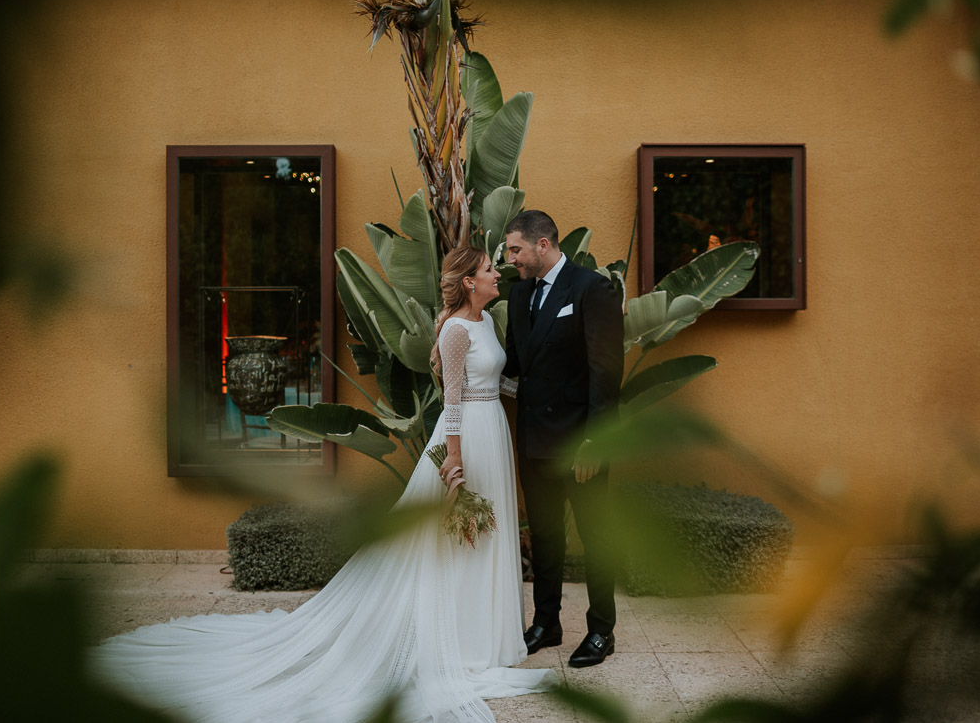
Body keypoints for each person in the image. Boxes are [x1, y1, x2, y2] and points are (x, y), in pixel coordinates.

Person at [86, 246, 554, 722]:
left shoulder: (488, 322)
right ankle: (466, 646)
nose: (499, 274)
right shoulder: (454, 330)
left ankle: (492, 639)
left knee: (486, 536)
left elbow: (493, 382)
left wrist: (538, 392)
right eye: (490, 269)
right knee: (455, 543)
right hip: (466, 439)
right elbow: (451, 399)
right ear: (469, 282)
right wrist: (453, 462)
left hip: (493, 431)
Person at [502, 210, 624, 669]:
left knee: (595, 537)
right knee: (547, 536)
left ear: (544, 245)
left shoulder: (591, 288)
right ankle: (546, 623)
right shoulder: (518, 295)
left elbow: (607, 371)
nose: (510, 258)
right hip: (533, 439)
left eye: (516, 249)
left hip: (580, 442)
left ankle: (600, 630)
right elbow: (514, 363)